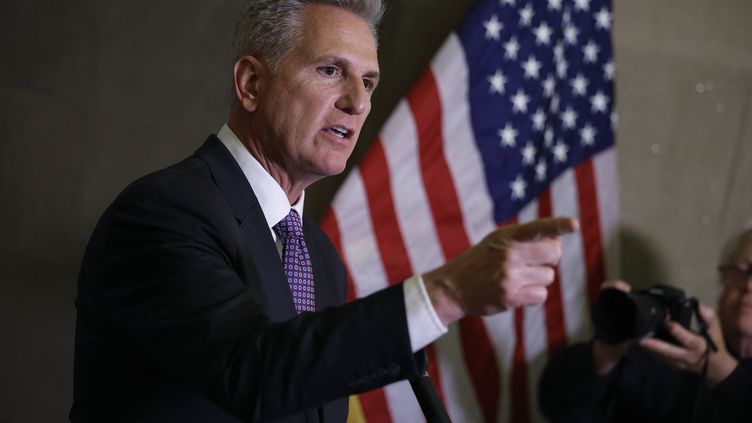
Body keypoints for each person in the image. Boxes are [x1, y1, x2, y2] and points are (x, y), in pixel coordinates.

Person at [70, 1, 578, 421]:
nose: (357, 102)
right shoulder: (164, 214)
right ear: (251, 83)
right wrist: (445, 293)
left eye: (370, 82)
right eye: (331, 70)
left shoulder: (318, 254)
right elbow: (256, 373)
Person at [538, 228, 752, 422]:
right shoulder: (672, 358)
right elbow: (557, 406)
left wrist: (724, 375)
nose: (749, 285)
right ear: (723, 280)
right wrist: (604, 355)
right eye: (741, 272)